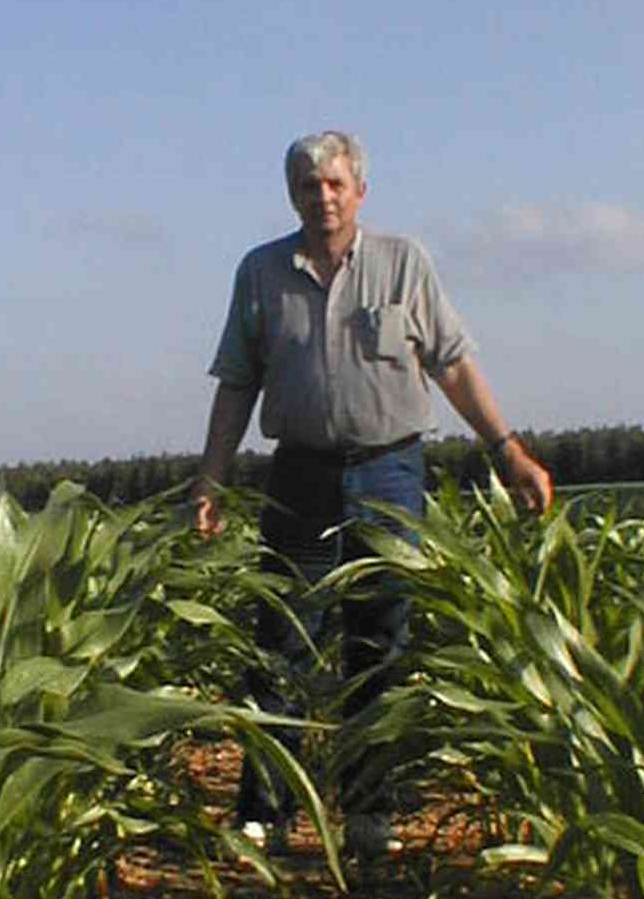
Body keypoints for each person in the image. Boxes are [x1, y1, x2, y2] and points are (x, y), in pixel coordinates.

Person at [191, 129, 553, 860]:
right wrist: (212, 478)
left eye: (334, 184)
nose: (321, 197)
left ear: (360, 190)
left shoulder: (404, 263)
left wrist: (506, 450)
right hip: (300, 474)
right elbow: (237, 382)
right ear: (291, 195)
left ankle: (369, 812)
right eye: (307, 185)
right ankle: (265, 811)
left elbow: (451, 365)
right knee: (282, 643)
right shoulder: (261, 273)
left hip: (390, 474)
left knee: (379, 643)